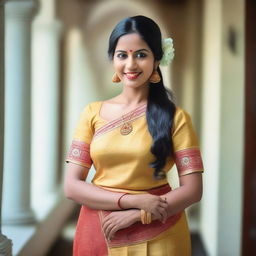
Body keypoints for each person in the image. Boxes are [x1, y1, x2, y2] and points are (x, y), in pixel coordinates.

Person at [64, 15, 204, 256]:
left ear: (157, 59)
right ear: (113, 59)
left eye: (141, 54)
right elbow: (72, 186)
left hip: (161, 231)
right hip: (99, 228)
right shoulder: (92, 113)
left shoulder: (176, 118)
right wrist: (133, 201)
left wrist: (140, 214)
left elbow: (193, 190)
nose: (131, 64)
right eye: (122, 55)